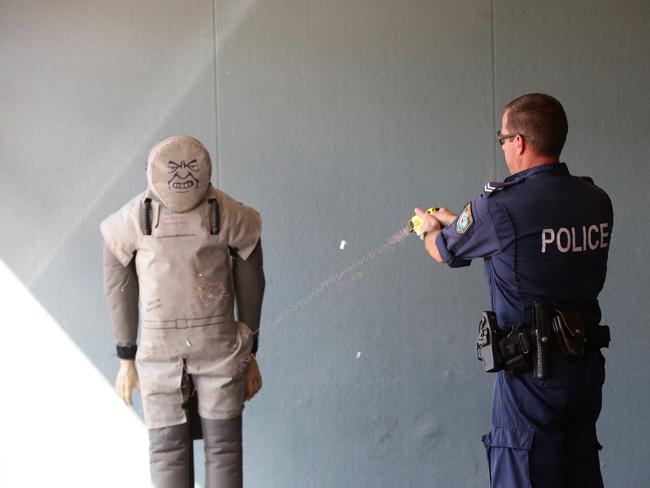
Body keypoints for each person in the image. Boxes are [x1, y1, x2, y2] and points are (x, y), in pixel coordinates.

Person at [413, 93, 613, 487]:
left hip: (530, 378)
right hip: (584, 370)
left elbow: (444, 251)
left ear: (518, 142)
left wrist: (431, 229)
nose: (503, 146)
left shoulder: (500, 206)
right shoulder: (596, 201)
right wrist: (462, 222)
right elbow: (527, 239)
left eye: (502, 138)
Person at [101, 135, 265, 488]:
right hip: (220, 348)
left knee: (166, 453)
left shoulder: (134, 216)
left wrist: (126, 357)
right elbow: (252, 275)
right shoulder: (225, 209)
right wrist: (250, 352)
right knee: (224, 449)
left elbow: (117, 285)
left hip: (159, 354)